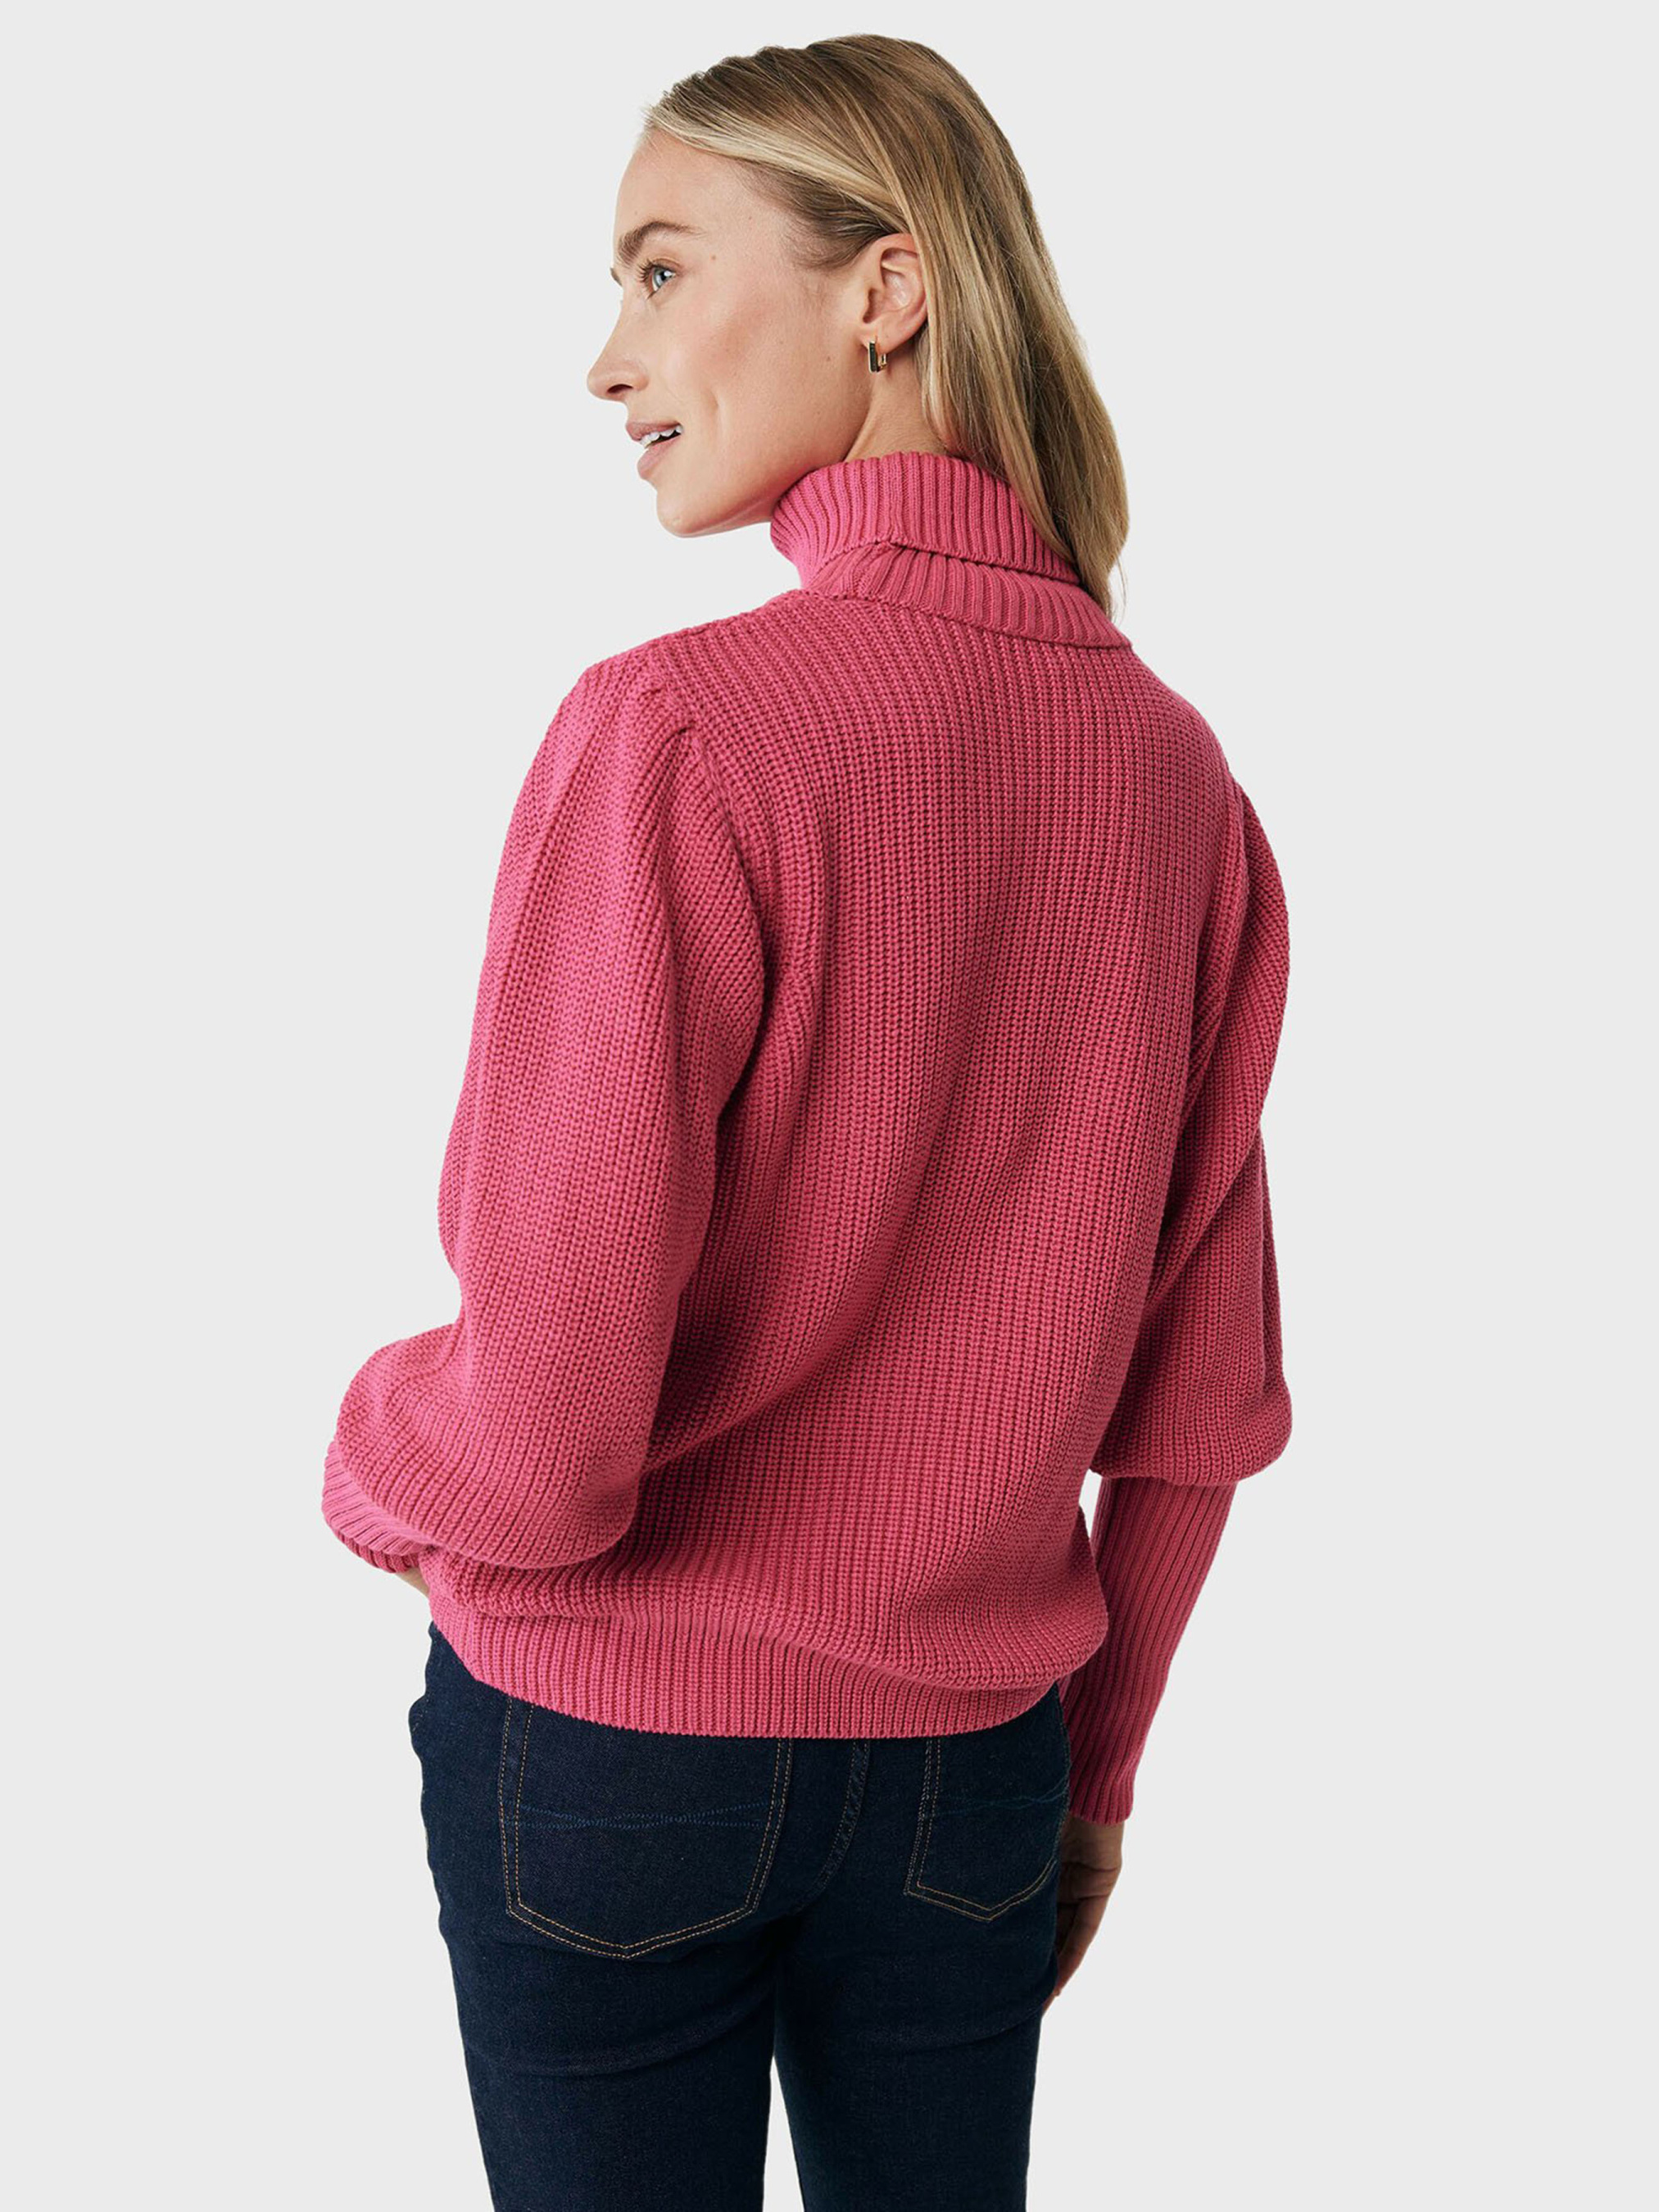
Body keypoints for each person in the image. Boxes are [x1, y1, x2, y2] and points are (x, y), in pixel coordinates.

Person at [320, 34, 1293, 2212]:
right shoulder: (1178, 783)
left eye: (663, 268)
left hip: (615, 1756)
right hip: (973, 1782)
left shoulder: (679, 732)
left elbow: (540, 1441)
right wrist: (1094, 1776)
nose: (609, 355)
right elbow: (1199, 1401)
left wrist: (367, 1448)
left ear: (887, 288)